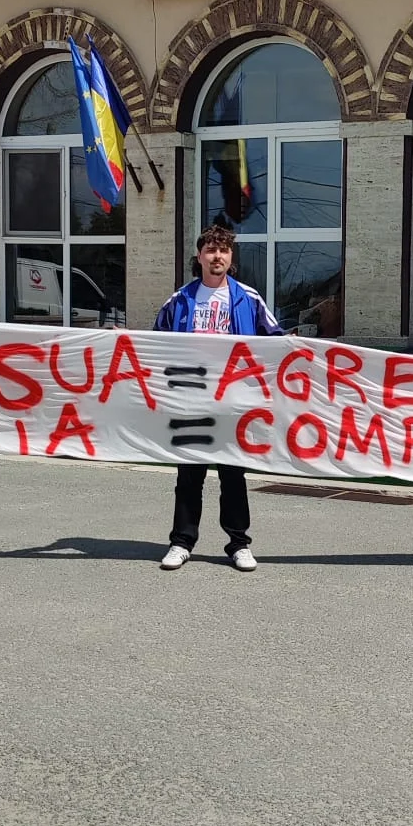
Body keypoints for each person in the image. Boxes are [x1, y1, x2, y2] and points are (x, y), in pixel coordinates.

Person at [153, 222, 284, 573]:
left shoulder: (248, 298)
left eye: (223, 250)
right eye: (211, 250)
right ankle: (181, 542)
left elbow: (276, 340)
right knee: (189, 476)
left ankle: (238, 545)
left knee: (233, 475)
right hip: (191, 399)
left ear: (230, 257)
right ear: (199, 256)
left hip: (233, 401)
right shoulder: (180, 300)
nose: (217, 256)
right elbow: (152, 346)